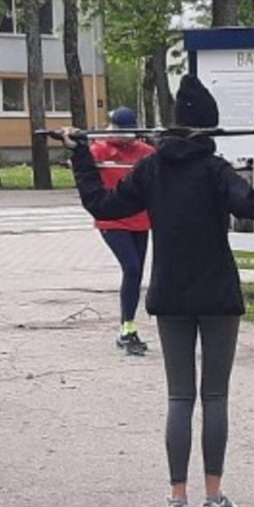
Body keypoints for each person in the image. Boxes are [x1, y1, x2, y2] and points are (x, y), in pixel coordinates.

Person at [58, 75, 254, 507]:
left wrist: (80, 155)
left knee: (180, 397)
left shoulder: (152, 168)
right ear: (208, 128)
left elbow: (102, 205)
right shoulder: (214, 170)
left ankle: (177, 500)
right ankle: (213, 498)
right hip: (217, 294)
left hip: (171, 293)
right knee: (214, 397)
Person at [89, 106, 156, 356]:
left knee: (136, 274)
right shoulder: (98, 150)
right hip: (112, 221)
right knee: (132, 267)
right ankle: (126, 327)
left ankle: (128, 326)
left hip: (140, 220)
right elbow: (86, 175)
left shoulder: (146, 152)